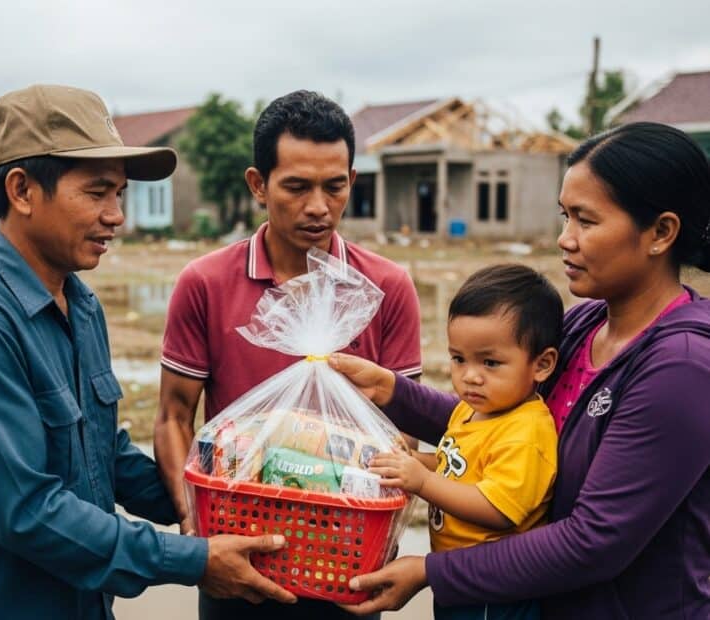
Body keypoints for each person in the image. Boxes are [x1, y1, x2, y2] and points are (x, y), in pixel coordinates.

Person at [0, 84, 296, 620]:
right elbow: (28, 512)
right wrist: (193, 559)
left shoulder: (79, 306)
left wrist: (224, 499)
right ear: (21, 190)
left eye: (120, 195)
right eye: (97, 192)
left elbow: (103, 457)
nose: (116, 216)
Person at [328, 122, 710, 619]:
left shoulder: (680, 368)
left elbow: (594, 540)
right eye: (563, 216)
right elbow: (500, 426)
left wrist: (432, 572)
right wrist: (391, 391)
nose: (564, 239)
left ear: (661, 232)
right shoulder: (585, 324)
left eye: (585, 221)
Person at [154, 90, 422, 619]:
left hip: (345, 557)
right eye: (296, 187)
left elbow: (402, 430)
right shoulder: (205, 283)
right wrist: (197, 530)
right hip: (237, 560)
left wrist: (384, 527)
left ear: (352, 180)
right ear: (259, 185)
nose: (319, 207)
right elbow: (173, 416)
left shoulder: (387, 287)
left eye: (335, 186)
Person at [371, 264, 562, 619]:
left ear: (542, 364)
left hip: (495, 591)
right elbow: (456, 465)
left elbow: (497, 509)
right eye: (459, 359)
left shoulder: (526, 433)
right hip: (460, 578)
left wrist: (423, 481)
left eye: (490, 362)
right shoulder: (472, 410)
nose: (470, 377)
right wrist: (411, 462)